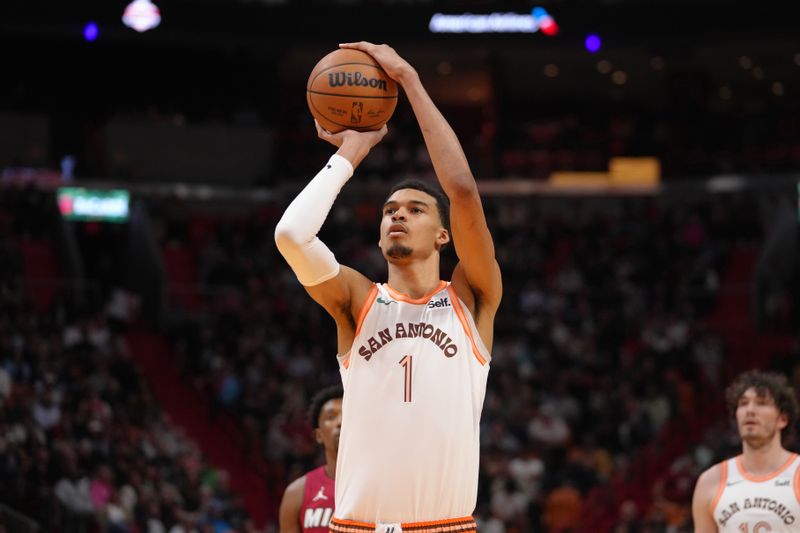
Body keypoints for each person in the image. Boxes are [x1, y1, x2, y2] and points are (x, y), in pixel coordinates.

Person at [275, 42, 502, 533]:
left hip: (445, 526)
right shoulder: (358, 300)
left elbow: (461, 190)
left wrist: (411, 81)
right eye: (388, 210)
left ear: (444, 235)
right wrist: (350, 153)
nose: (397, 212)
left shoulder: (471, 297)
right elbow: (292, 236)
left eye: (415, 209)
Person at [691, 370, 800, 532]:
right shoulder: (710, 481)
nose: (750, 410)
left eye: (761, 403)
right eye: (743, 403)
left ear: (782, 419)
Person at [279, 385, 343, 533]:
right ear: (318, 435)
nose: (340, 422)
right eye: (331, 417)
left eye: (348, 414)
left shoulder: (381, 487)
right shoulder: (296, 493)